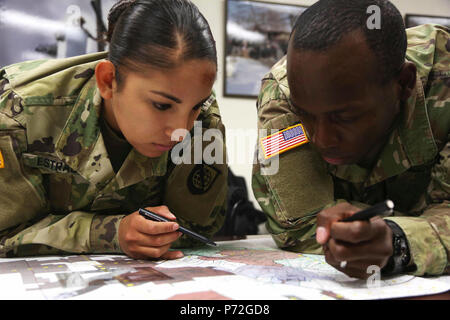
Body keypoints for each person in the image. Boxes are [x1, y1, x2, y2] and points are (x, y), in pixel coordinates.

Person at [0, 0, 228, 260]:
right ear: (108, 81)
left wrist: (157, 235)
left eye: (195, 106)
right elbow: (6, 232)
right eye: (162, 105)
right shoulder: (18, 113)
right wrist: (109, 233)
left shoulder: (203, 121)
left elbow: (197, 227)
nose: (180, 131)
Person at [252, 0, 449, 279]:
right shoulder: (282, 97)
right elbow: (297, 226)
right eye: (305, 115)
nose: (321, 139)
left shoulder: (445, 83)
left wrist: (398, 240)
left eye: (344, 117)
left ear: (404, 83)